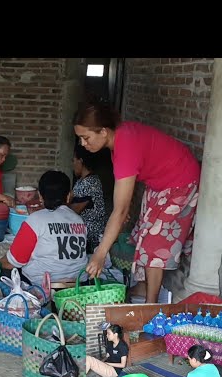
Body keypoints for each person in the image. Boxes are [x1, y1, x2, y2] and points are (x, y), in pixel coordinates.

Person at [73, 102, 201, 303]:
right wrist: (122, 212)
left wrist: (100, 253)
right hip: (160, 183)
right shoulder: (121, 138)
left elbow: (120, 209)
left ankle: (150, 307)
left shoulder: (125, 148)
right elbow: (124, 198)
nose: (83, 144)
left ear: (104, 132)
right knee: (143, 234)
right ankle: (143, 287)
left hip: (180, 182)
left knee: (153, 245)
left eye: (86, 137)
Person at [0, 170, 87, 286]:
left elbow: (12, 262)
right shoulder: (79, 220)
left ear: (40, 196)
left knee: (5, 271)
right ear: (68, 196)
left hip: (42, 286)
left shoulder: (35, 220)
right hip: (78, 285)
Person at [69, 143, 108, 253]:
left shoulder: (89, 183)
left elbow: (74, 210)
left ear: (80, 161)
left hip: (90, 235)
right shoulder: (85, 180)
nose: (73, 164)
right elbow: (71, 196)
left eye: (73, 160)